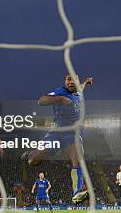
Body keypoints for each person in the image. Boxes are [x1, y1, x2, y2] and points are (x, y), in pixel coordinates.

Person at [25, 74, 93, 204]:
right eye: (68, 79)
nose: (71, 82)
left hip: (73, 135)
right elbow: (41, 100)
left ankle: (77, 193)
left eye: (74, 80)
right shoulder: (60, 91)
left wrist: (87, 82)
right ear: (65, 82)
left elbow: (82, 87)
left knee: (77, 160)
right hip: (57, 133)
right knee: (33, 161)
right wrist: (60, 99)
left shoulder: (79, 90)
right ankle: (29, 154)